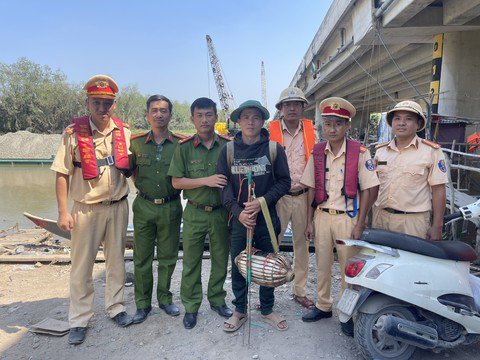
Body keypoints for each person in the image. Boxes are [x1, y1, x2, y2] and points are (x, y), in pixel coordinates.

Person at [51, 75, 133, 345]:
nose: (102, 108)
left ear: (115, 105)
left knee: (116, 262)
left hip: (118, 206)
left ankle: (116, 307)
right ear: (87, 103)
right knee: (82, 267)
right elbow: (62, 174)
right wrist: (63, 212)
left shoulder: (125, 131)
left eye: (107, 103)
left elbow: (133, 169)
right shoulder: (73, 134)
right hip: (86, 209)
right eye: (97, 102)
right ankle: (80, 318)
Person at [300, 97, 379, 337]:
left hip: (348, 218)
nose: (332, 129)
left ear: (347, 127)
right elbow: (311, 188)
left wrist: (361, 221)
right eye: (328, 124)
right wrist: (308, 220)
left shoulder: (359, 153)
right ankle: (323, 306)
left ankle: (346, 314)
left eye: (338, 124)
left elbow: (370, 188)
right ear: (323, 126)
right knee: (322, 265)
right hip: (322, 216)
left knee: (348, 269)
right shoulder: (317, 152)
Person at [217, 100, 291, 332]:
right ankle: (240, 309)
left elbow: (284, 182)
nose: (250, 121)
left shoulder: (274, 149)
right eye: (246, 117)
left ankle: (267, 308)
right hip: (240, 221)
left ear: (262, 121)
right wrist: (238, 213)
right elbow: (223, 186)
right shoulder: (228, 150)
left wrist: (262, 202)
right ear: (238, 121)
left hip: (267, 219)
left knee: (268, 263)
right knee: (240, 264)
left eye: (256, 117)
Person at [167, 97, 233, 329]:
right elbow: (176, 182)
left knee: (219, 259)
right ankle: (192, 306)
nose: (204, 120)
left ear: (216, 117)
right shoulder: (184, 148)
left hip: (221, 213)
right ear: (192, 119)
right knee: (191, 262)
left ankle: (217, 300)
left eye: (209, 115)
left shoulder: (227, 145)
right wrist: (207, 180)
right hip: (194, 212)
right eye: (199, 115)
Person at [129, 95, 185, 324]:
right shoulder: (136, 142)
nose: (159, 114)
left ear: (170, 115)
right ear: (147, 115)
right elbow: (132, 172)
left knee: (168, 257)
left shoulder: (181, 144)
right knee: (141, 258)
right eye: (154, 110)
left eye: (163, 111)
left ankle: (164, 299)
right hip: (144, 206)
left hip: (171, 206)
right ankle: (142, 304)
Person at [371, 100, 448, 240]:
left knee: (413, 261)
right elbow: (373, 187)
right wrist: (363, 217)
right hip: (381, 218)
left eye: (408, 119)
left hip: (413, 222)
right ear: (392, 122)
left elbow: (439, 190)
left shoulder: (431, 152)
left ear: (418, 124)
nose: (401, 123)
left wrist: (437, 226)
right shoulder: (381, 152)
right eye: (397, 118)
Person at [269, 87, 316, 309]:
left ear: (303, 108)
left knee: (302, 246)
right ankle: (266, 294)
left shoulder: (311, 131)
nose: (292, 108)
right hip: (279, 197)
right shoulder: (270, 132)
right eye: (287, 105)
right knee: (271, 244)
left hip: (303, 196)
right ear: (280, 109)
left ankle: (299, 291)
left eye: (296, 104)